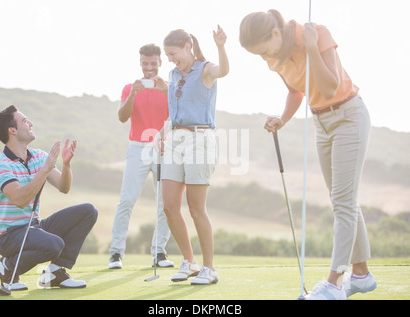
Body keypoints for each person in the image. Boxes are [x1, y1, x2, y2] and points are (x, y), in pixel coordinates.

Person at [239, 10, 376, 299]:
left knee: (343, 202)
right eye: (258, 55)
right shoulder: (275, 58)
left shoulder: (317, 34)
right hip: (321, 123)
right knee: (344, 200)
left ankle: (335, 282)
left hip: (349, 116)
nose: (265, 58)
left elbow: (329, 88)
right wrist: (282, 119)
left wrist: (312, 47)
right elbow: (295, 92)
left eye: (264, 51)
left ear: (275, 34)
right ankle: (361, 275)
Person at [0, 105, 98, 292]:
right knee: (54, 244)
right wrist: (45, 170)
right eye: (25, 121)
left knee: (88, 211)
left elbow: (64, 187)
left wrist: (66, 164)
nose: (31, 123)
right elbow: (19, 199)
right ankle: (6, 266)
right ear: (12, 130)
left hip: (34, 227)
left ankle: (54, 272)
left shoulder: (39, 157)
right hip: (8, 236)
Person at [153, 26, 229, 285]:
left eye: (173, 53)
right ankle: (189, 262)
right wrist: (161, 133)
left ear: (187, 47)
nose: (171, 59)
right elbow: (175, 110)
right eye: (168, 55)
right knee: (169, 206)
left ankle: (210, 268)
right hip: (174, 139)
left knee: (197, 209)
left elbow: (224, 71)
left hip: (200, 139)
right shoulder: (173, 74)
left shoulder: (206, 69)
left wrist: (221, 46)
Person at [108, 44, 174, 270]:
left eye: (153, 64)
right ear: (140, 63)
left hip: (164, 148)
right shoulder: (129, 88)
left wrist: (166, 91)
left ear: (160, 63)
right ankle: (116, 253)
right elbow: (121, 117)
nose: (149, 68)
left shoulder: (169, 87)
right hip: (137, 147)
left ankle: (159, 251)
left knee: (165, 203)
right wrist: (134, 94)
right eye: (145, 64)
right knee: (126, 200)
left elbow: (177, 117)